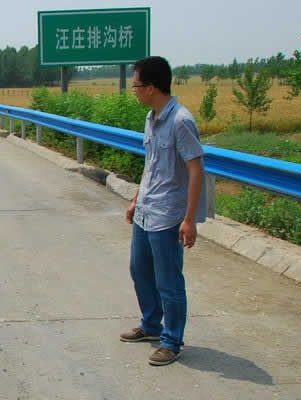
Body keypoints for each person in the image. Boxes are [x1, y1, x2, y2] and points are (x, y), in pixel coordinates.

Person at [120, 56, 206, 367]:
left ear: (152, 87)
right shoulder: (151, 118)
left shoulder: (181, 121)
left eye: (137, 85)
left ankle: (172, 341)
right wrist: (134, 198)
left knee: (168, 280)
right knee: (139, 270)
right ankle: (151, 325)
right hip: (146, 209)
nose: (134, 91)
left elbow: (196, 171)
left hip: (168, 214)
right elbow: (152, 167)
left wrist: (189, 219)